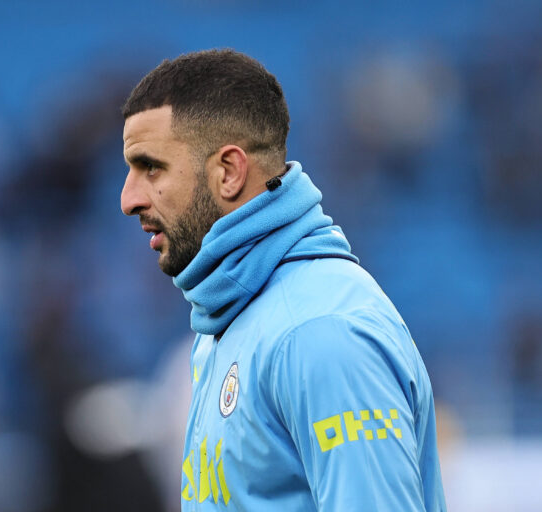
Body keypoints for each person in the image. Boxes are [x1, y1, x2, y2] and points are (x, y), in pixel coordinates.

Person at [119, 49, 446, 511]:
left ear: (228, 172)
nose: (128, 199)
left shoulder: (320, 330)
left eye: (151, 167)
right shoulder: (229, 319)